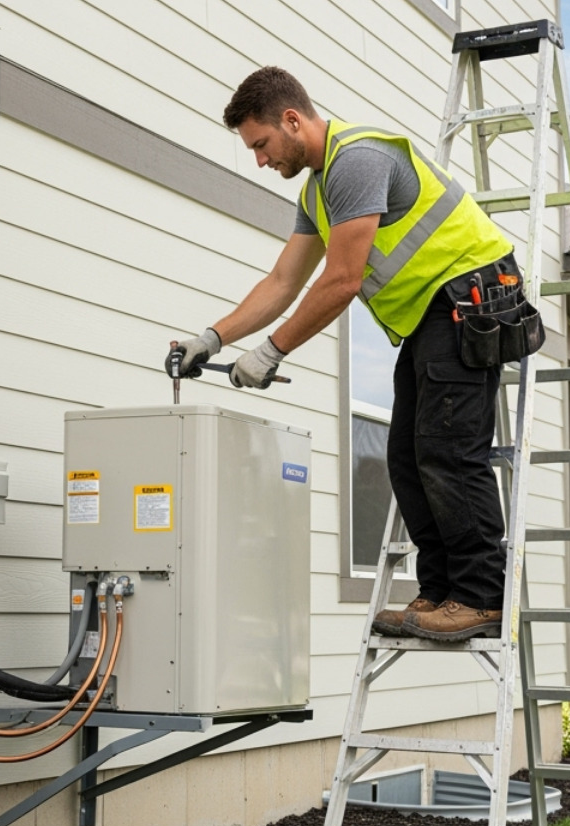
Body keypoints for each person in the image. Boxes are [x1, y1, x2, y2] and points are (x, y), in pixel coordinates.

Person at [167, 67, 526, 642]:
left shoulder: (355, 163)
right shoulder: (318, 189)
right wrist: (212, 337)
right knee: (408, 460)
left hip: (472, 298)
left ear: (292, 120)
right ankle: (438, 593)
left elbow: (341, 281)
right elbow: (283, 280)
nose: (260, 160)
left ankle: (480, 598)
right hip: (433, 315)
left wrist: (272, 351)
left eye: (261, 145)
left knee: (450, 453)